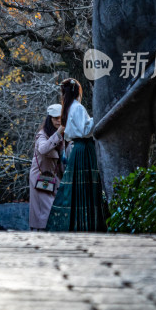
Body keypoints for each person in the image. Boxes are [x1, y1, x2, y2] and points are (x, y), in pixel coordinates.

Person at [46, 78, 108, 232]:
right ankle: (87, 225)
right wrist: (98, 117)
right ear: (77, 91)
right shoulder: (77, 108)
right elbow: (85, 130)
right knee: (86, 186)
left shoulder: (67, 108)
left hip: (78, 148)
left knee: (77, 187)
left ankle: (78, 224)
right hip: (84, 147)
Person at [29, 103, 67, 231]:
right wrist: (58, 133)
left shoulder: (63, 135)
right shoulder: (42, 134)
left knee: (54, 209)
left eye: (60, 117)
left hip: (53, 179)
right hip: (41, 178)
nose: (58, 120)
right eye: (55, 118)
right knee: (46, 212)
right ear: (49, 119)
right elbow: (43, 149)